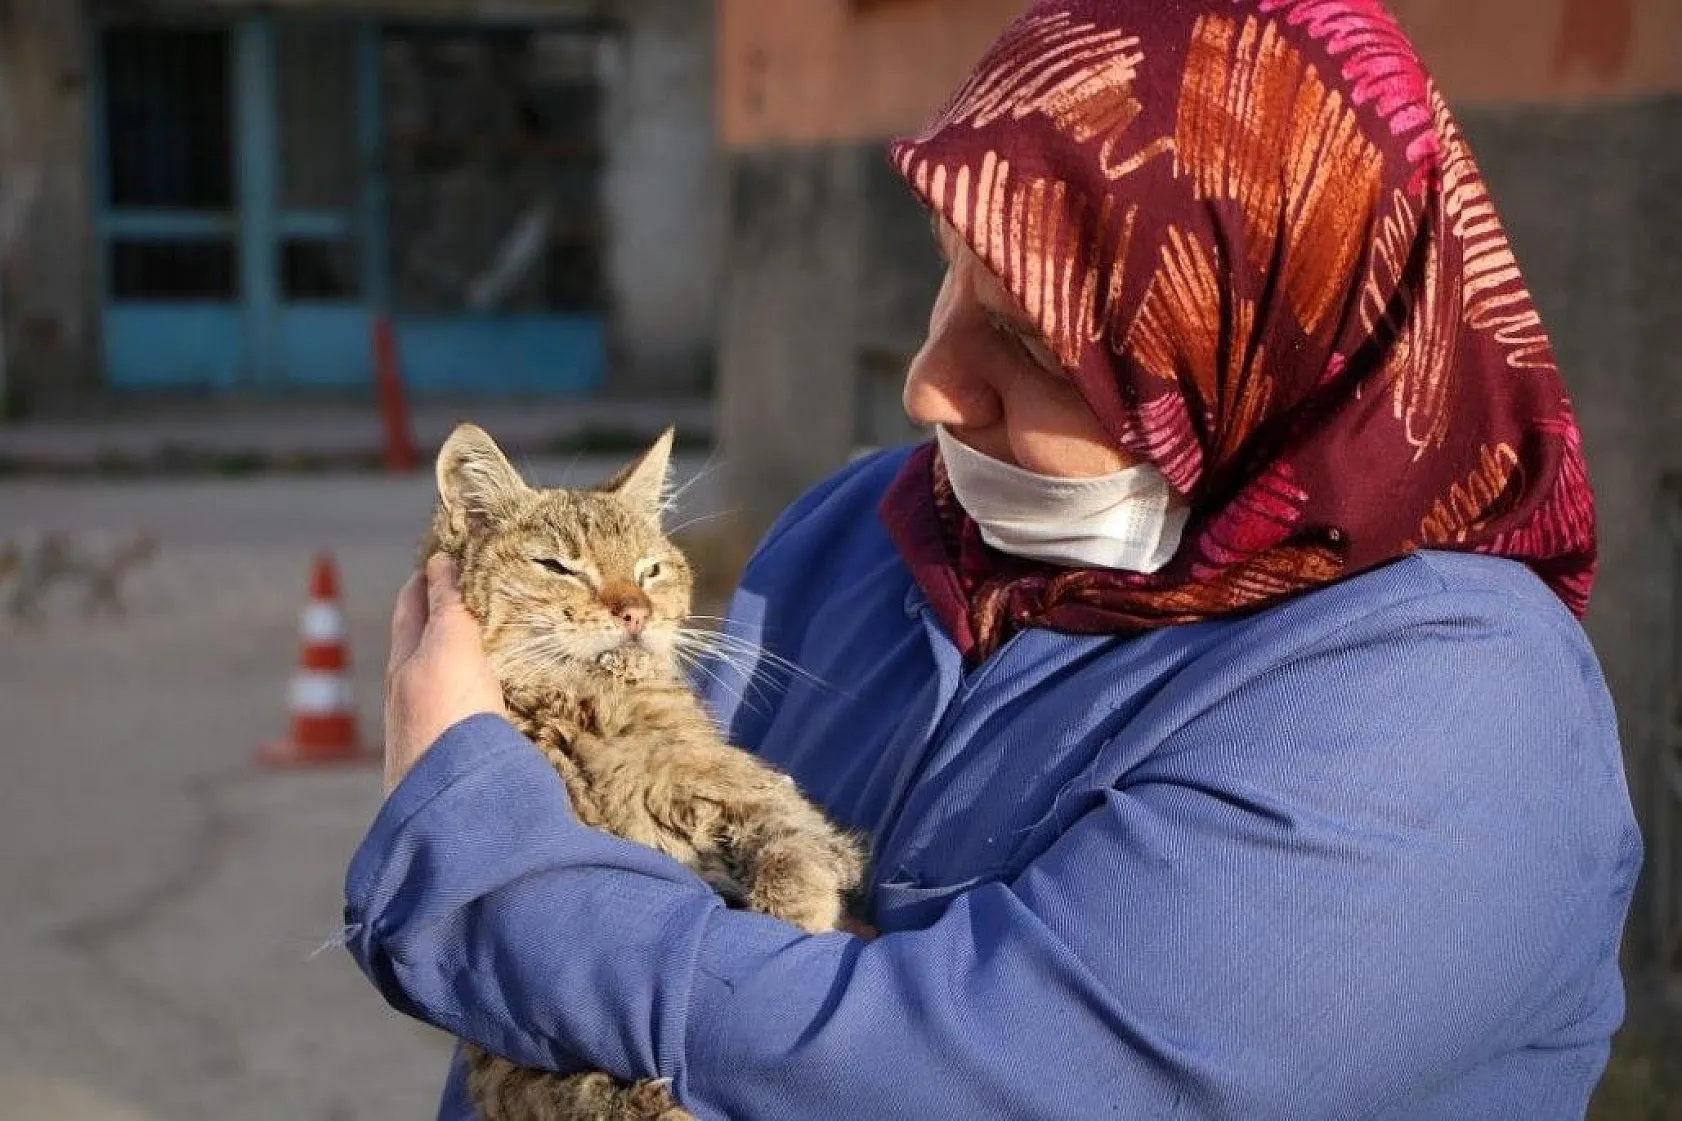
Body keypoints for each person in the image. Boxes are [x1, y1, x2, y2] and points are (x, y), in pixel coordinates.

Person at [348, 1, 1642, 1116]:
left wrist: (480, 867)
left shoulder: (1445, 715)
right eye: (948, 278)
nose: (927, 386)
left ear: (1264, 358)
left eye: (1033, 345)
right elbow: (601, 970)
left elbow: (958, 1078)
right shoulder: (857, 537)